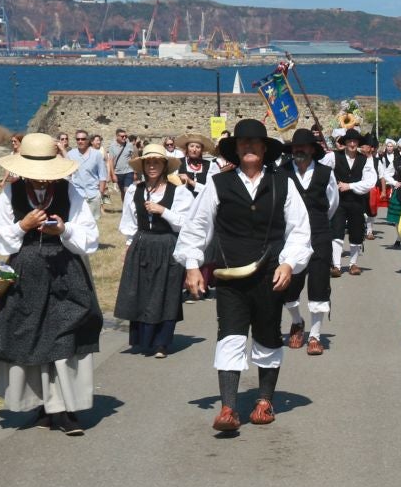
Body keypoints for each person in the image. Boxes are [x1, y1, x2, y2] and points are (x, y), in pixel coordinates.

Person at [174, 118, 312, 433]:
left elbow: (300, 230)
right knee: (230, 336)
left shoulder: (283, 182)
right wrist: (193, 265)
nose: (249, 147)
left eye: (254, 143)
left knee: (267, 336)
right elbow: (197, 226)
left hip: (270, 276)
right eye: (243, 143)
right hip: (230, 276)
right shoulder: (218, 184)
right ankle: (228, 408)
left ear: (264, 149)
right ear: (235, 149)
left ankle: (264, 401)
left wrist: (288, 263)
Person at [0, 132, 105, 436]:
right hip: (25, 274)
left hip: (65, 272)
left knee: (65, 335)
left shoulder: (69, 192)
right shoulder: (10, 194)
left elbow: (90, 236)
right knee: (29, 335)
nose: (40, 181)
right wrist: (21, 227)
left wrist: (64, 229)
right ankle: (39, 404)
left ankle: (64, 409)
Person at [116, 142, 194, 358]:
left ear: (164, 165)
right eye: (148, 162)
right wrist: (128, 246)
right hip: (142, 244)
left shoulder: (178, 192)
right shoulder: (134, 190)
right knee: (141, 291)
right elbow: (129, 221)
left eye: (156, 162)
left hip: (166, 244)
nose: (152, 166)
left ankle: (162, 342)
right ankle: (143, 339)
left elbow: (186, 223)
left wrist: (163, 211)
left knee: (166, 293)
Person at [281, 128, 339, 356]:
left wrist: (317, 224)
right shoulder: (282, 172)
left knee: (319, 284)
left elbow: (332, 205)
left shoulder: (326, 173)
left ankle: (315, 335)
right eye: (296, 147)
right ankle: (297, 322)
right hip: (291, 237)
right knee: (288, 287)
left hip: (319, 235)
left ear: (313, 150)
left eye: (304, 147)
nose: (299, 151)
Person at [331, 128, 377, 276]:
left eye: (355, 141)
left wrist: (349, 186)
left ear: (358, 143)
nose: (352, 143)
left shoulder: (365, 159)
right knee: (336, 231)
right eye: (349, 141)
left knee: (356, 232)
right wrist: (333, 184)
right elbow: (322, 171)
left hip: (357, 201)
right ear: (344, 143)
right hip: (338, 201)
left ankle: (353, 264)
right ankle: (336, 265)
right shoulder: (333, 156)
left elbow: (370, 182)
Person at [68, 130, 105, 221]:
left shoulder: (97, 155)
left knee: (93, 223)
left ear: (88, 140)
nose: (80, 141)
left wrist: (100, 193)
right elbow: (67, 174)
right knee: (77, 222)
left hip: (93, 194)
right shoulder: (71, 154)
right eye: (78, 139)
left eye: (83, 139)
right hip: (77, 194)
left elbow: (102, 175)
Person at [108, 127, 137, 196]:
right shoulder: (112, 146)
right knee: (122, 192)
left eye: (126, 136)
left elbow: (133, 158)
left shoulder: (129, 145)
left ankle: (130, 206)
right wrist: (113, 174)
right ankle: (125, 206)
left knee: (127, 190)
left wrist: (135, 172)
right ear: (117, 136)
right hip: (118, 173)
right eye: (122, 136)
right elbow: (111, 161)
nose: (124, 138)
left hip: (129, 171)